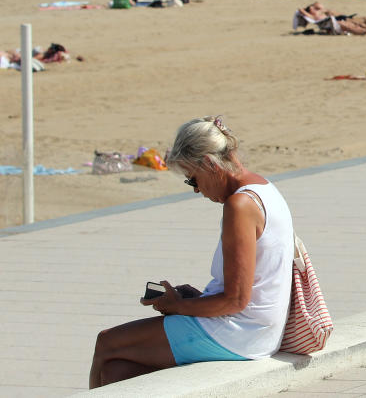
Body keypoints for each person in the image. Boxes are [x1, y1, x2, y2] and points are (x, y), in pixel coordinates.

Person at [88, 116, 294, 387]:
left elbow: (236, 300)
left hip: (240, 334)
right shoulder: (263, 187)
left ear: (209, 164)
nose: (196, 190)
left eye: (192, 179)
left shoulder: (239, 206)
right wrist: (199, 299)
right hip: (256, 330)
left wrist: (179, 306)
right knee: (117, 373)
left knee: (107, 344)